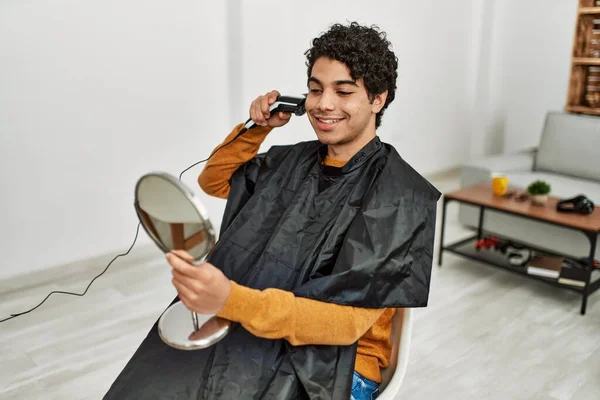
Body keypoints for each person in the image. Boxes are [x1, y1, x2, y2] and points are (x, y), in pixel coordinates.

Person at [104, 22, 440, 400]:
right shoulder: (289, 161)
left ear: (378, 99)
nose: (323, 104)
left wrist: (229, 299)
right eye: (315, 89)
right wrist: (255, 129)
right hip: (255, 327)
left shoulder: (400, 197)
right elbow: (212, 180)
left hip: (337, 365)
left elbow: (344, 325)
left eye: (343, 91)